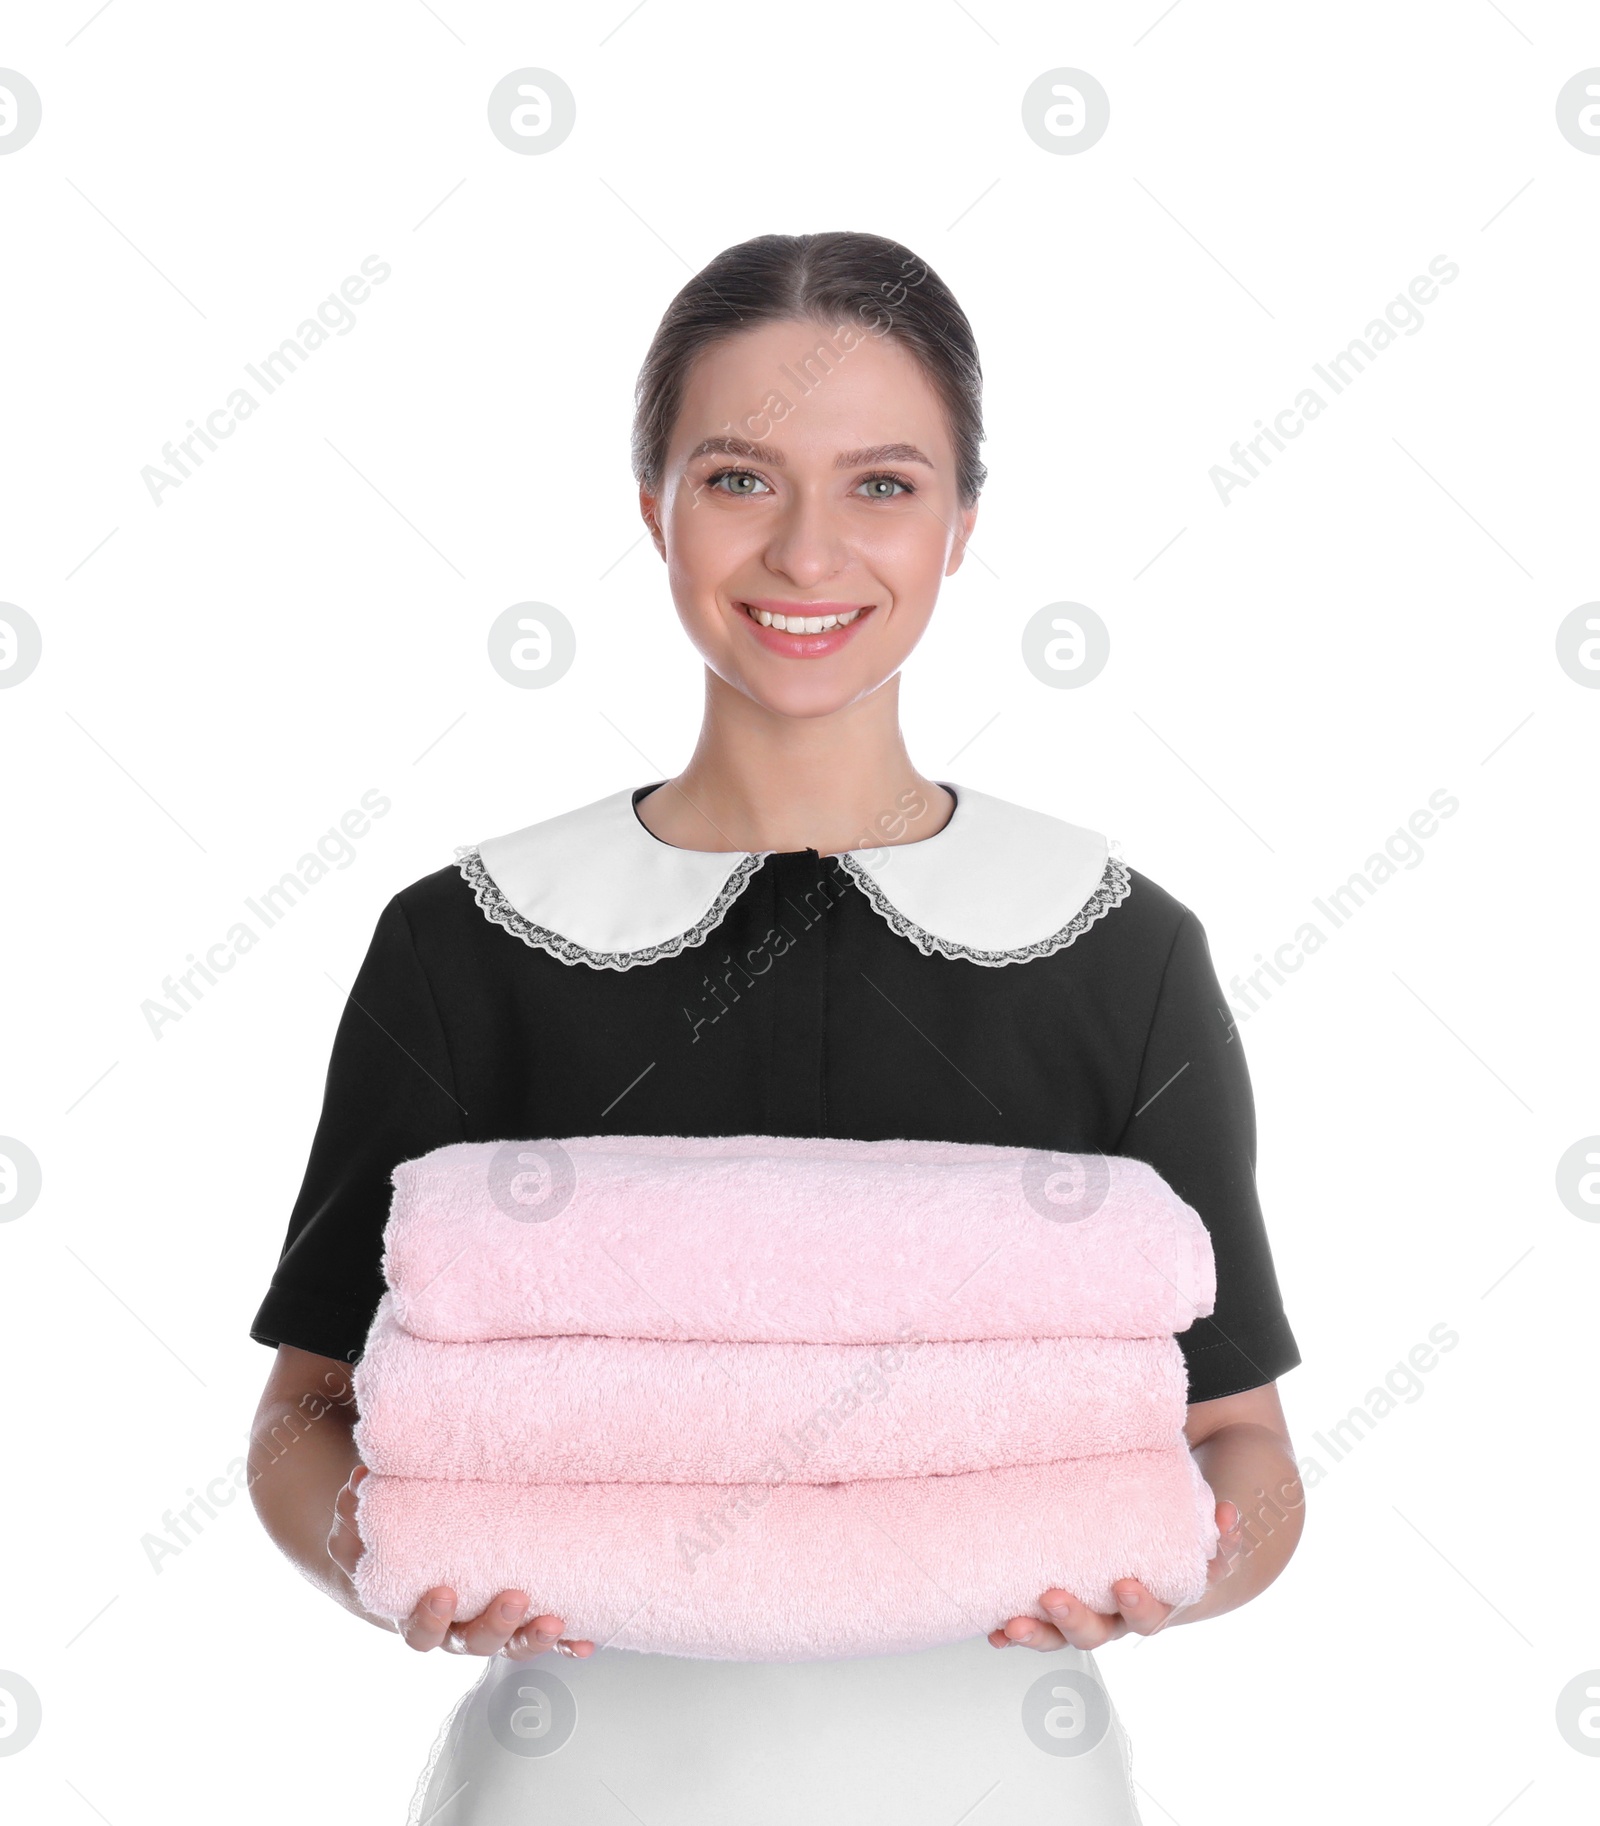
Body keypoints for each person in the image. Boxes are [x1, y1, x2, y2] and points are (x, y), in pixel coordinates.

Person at [247, 230, 1304, 1823]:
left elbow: (1246, 1450)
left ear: (962, 527)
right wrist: (373, 1563)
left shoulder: (1113, 944)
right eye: (740, 478)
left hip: (1005, 1787)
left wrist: (1179, 1575)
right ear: (653, 507)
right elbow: (303, 1418)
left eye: (882, 483)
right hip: (572, 1785)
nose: (810, 553)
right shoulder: (467, 940)